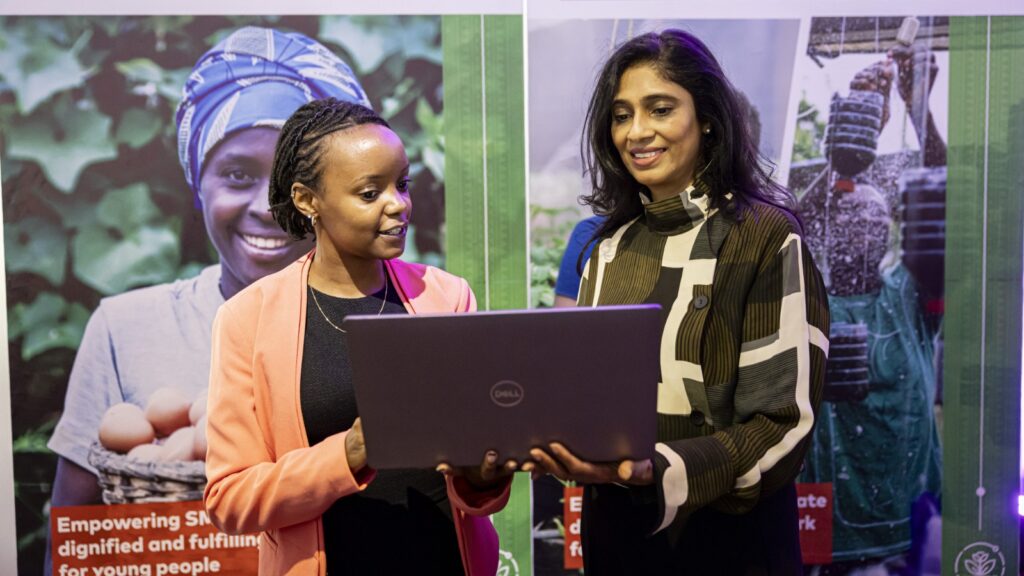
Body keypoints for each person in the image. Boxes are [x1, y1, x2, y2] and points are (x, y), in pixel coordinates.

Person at [43, 26, 371, 575]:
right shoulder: (125, 327)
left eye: (292, 181)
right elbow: (73, 540)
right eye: (237, 174)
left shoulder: (376, 325)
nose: (268, 208)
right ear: (198, 184)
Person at [523, 30, 830, 574]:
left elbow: (781, 424)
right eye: (621, 115)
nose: (636, 132)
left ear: (706, 117)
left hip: (728, 544)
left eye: (659, 109)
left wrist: (659, 470)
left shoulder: (764, 238)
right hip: (616, 536)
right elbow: (588, 400)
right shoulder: (606, 248)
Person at [203, 98, 513, 576]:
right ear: (308, 200)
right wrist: (348, 454)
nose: (399, 204)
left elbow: (473, 494)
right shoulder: (247, 318)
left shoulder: (446, 296)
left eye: (403, 184)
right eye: (370, 193)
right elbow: (230, 500)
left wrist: (482, 477)